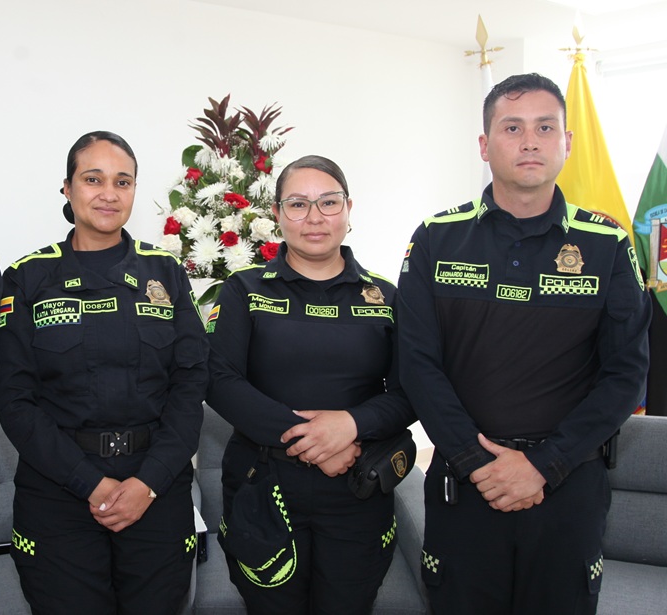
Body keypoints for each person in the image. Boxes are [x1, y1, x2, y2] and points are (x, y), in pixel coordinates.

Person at [397, 73, 651, 614]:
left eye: (545, 127)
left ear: (567, 143)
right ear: (486, 146)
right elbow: (417, 363)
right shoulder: (437, 237)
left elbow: (625, 373)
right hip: (466, 484)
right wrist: (475, 460)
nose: (530, 141)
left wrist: (544, 466)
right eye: (512, 127)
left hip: (567, 485)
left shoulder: (606, 245)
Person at [0, 131, 208, 614]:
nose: (109, 193)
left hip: (156, 488)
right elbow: (13, 398)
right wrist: (89, 483)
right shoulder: (28, 278)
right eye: (93, 179)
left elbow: (190, 385)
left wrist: (148, 482)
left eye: (122, 181)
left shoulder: (165, 272)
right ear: (67, 190)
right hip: (58, 493)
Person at [205, 155, 416, 614]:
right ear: (277, 214)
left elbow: (409, 392)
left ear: (349, 209)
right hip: (263, 484)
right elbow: (219, 380)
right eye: (298, 204)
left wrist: (350, 426)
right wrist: (316, 439)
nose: (315, 217)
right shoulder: (245, 290)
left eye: (328, 202)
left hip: (356, 485)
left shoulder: (385, 297)